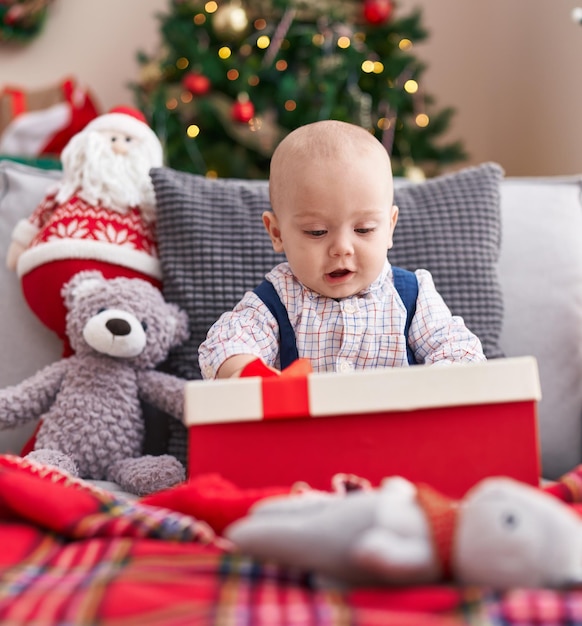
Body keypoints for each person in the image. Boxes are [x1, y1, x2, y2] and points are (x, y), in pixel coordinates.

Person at [199, 120, 485, 379]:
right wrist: (244, 371)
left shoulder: (413, 295)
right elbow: (226, 343)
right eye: (317, 232)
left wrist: (443, 379)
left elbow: (460, 350)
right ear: (277, 233)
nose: (341, 248)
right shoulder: (276, 301)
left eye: (364, 230)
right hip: (308, 435)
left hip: (399, 434)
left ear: (390, 227)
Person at [6, 107, 164, 355]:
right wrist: (20, 243)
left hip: (136, 273)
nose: (119, 148)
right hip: (53, 262)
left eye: (128, 141)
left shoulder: (146, 202)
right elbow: (39, 216)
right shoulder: (68, 189)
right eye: (113, 139)